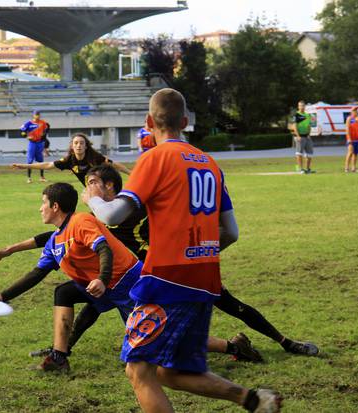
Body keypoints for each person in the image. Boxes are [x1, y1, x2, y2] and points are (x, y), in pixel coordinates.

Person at [0, 164, 317, 362]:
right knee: (82, 298)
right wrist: (12, 251)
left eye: (91, 184)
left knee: (223, 306)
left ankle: (277, 342)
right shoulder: (95, 216)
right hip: (131, 280)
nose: (87, 191)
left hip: (163, 274)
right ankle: (61, 354)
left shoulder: (135, 208)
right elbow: (55, 240)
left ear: (110, 186)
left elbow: (180, 227)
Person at [85, 89, 282, 412]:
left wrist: (93, 198)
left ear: (149, 123)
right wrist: (198, 252)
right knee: (172, 372)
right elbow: (230, 232)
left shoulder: (155, 157)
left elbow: (112, 215)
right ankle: (252, 399)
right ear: (186, 122)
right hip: (205, 280)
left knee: (139, 370)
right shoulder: (210, 164)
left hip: (166, 280)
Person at [0, 183, 143, 372]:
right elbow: (37, 274)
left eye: (43, 202)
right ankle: (58, 357)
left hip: (129, 283)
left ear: (55, 206)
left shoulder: (81, 221)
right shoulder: (55, 241)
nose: (40, 208)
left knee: (148, 347)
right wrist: (3, 296)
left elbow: (104, 249)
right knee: (64, 292)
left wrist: (101, 278)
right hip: (103, 286)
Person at [12, 133, 131, 185]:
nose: (79, 145)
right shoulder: (69, 160)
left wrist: (131, 174)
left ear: (86, 146)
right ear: (72, 146)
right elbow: (48, 165)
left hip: (107, 187)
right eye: (76, 143)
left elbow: (115, 165)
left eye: (81, 143)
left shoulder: (95, 157)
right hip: (92, 190)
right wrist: (25, 165)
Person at [19, 110, 50, 183]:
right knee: (30, 161)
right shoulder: (28, 123)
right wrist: (26, 136)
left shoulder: (43, 123)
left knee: (41, 161)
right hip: (32, 143)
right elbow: (21, 131)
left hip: (40, 143)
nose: (37, 116)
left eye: (38, 114)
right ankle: (29, 178)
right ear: (33, 115)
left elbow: (47, 128)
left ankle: (42, 177)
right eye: (36, 114)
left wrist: (44, 135)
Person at [291, 100, 314, 174]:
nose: (302, 107)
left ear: (305, 106)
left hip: (306, 136)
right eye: (300, 105)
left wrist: (308, 134)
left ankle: (308, 169)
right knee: (299, 153)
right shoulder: (296, 115)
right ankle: (300, 169)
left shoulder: (307, 115)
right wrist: (298, 136)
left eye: (303, 105)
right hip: (299, 136)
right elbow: (294, 127)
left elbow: (309, 126)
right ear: (298, 107)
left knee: (309, 154)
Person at [344, 107, 358, 173]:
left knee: (356, 154)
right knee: (350, 152)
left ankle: (353, 168)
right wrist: (349, 138)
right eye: (354, 111)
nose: (356, 112)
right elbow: (347, 129)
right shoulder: (349, 118)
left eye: (357, 111)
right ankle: (346, 168)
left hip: (357, 138)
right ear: (351, 112)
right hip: (351, 139)